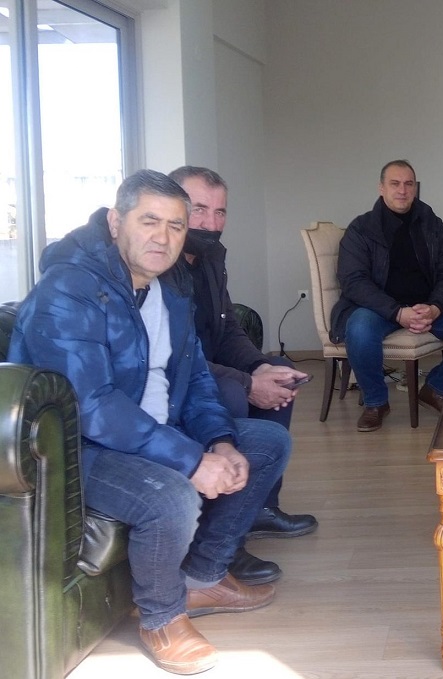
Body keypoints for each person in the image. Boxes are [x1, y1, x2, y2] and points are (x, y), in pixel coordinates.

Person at [9, 170, 290, 674]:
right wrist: (191, 461)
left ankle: (203, 579)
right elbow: (92, 405)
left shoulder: (172, 286)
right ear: (116, 222)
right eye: (149, 221)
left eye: (176, 226)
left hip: (156, 430)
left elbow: (196, 376)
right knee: (171, 495)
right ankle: (161, 618)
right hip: (81, 447)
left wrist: (220, 441)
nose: (163, 237)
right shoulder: (70, 289)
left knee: (266, 443)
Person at [170, 166, 318, 586]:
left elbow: (227, 328)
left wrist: (259, 367)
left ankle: (260, 508)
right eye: (199, 210)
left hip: (205, 368)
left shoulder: (212, 257)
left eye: (220, 212)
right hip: (178, 379)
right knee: (233, 395)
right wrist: (248, 383)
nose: (210, 223)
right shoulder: (159, 264)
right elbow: (176, 356)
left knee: (280, 372)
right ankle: (222, 538)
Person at [331, 159, 443, 432]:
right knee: (358, 328)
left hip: (427, 305)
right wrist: (397, 313)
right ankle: (375, 402)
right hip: (379, 309)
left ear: (415, 188)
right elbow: (353, 281)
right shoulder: (361, 228)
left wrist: (436, 307)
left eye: (408, 184)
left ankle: (435, 387)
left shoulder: (432, 223)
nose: (402, 190)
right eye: (395, 184)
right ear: (381, 188)